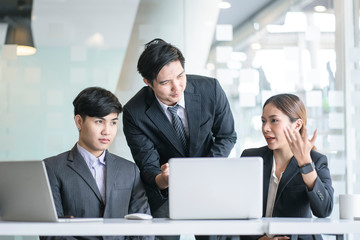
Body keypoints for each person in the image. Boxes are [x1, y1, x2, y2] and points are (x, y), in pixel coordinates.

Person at [122, 38, 237, 223]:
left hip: (209, 182)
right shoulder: (134, 113)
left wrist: (203, 171)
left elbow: (227, 136)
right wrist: (163, 179)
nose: (177, 87)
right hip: (166, 193)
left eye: (180, 76)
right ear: (148, 82)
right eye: (165, 82)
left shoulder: (211, 90)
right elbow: (148, 166)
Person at [42, 87, 152, 240]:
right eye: (99, 121)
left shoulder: (130, 170)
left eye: (113, 122)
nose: (107, 131)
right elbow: (51, 233)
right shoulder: (52, 168)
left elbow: (143, 228)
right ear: (79, 122)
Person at [241, 93, 334, 240]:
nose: (265, 128)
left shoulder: (316, 161)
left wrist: (306, 164)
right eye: (263, 121)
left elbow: (324, 209)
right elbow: (239, 210)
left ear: (297, 125)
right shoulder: (250, 158)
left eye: (274, 121)